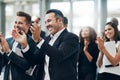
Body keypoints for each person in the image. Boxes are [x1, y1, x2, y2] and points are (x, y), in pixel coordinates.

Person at [12, 9, 79, 80]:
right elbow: (34, 60)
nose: (47, 25)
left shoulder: (71, 37)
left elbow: (59, 56)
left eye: (49, 21)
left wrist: (39, 40)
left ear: (59, 20)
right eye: (45, 22)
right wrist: (24, 45)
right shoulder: (47, 39)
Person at [0, 11, 37, 80]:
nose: (16, 25)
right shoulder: (8, 41)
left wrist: (8, 51)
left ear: (28, 26)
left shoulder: (32, 42)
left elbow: (27, 66)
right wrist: (1, 51)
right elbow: (2, 64)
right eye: (15, 22)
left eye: (20, 23)